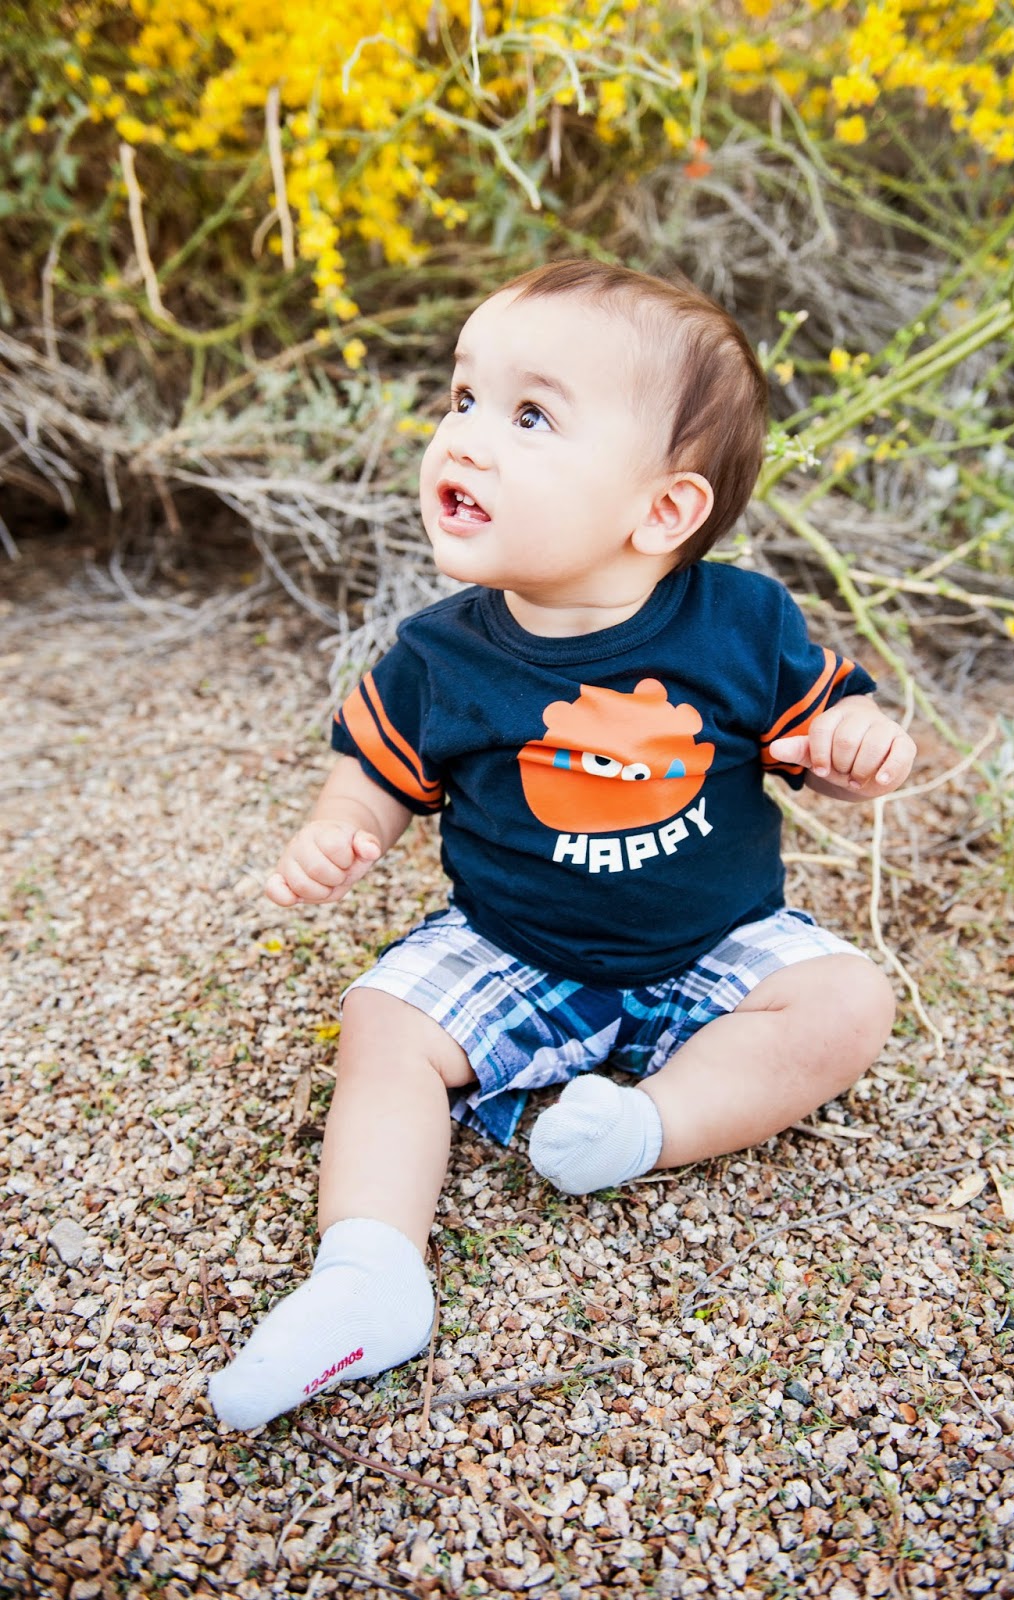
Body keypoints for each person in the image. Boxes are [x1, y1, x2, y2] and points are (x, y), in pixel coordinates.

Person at [209, 260, 915, 1430]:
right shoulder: (441, 653)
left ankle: (648, 1127)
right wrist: (343, 827)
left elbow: (820, 740)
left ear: (663, 511)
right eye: (463, 399)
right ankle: (368, 1272)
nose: (466, 438)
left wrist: (856, 744)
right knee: (381, 1023)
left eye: (530, 415)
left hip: (715, 943)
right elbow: (376, 769)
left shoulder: (743, 624)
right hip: (513, 944)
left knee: (849, 1001)